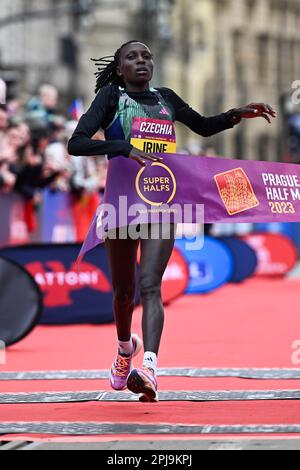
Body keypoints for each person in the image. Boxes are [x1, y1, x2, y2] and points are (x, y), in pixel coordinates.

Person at [68, 40, 276, 402]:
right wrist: (122, 148)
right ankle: (123, 350)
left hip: (162, 201)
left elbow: (204, 127)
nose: (142, 61)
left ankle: (149, 367)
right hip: (122, 203)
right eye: (132, 57)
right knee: (123, 292)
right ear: (120, 69)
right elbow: (77, 143)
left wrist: (235, 115)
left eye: (147, 56)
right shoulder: (111, 99)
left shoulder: (166, 99)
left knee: (151, 285)